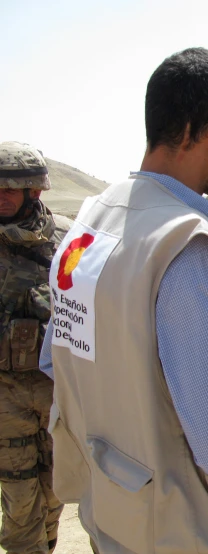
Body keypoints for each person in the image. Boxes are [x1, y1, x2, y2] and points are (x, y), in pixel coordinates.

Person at [39, 47, 208, 554]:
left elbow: (60, 361)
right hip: (190, 530)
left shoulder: (89, 225)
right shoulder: (185, 248)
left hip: (117, 512)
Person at [0, 141, 69, 554]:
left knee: (56, 487)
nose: (2, 196)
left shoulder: (63, 236)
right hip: (5, 394)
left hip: (55, 388)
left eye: (11, 188)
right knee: (20, 494)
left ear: (35, 190)